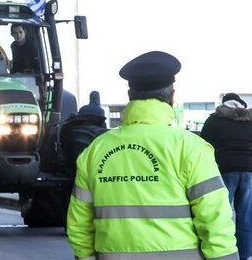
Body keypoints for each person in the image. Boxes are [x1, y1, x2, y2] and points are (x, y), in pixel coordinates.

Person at [67, 50, 238, 260]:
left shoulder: (95, 151)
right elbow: (215, 220)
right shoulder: (191, 148)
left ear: (130, 96)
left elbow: (79, 224)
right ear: (172, 96)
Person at [200, 92, 252, 260]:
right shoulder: (250, 120)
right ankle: (245, 255)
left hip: (225, 170)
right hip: (249, 171)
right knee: (246, 216)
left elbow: (203, 144)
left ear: (223, 104)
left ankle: (223, 254)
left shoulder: (214, 120)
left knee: (221, 215)